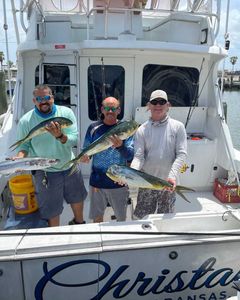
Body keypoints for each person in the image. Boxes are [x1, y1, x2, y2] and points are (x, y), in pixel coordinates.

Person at [15, 84, 87, 227]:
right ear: (34, 101)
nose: (44, 101)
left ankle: (79, 222)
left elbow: (74, 139)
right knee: (51, 208)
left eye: (47, 97)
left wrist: (60, 135)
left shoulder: (65, 113)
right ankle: (55, 234)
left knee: (77, 198)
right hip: (45, 170)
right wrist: (20, 157)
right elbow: (24, 145)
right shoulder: (25, 121)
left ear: (52, 98)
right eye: (39, 98)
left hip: (69, 164)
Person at [131, 89, 187, 219]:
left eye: (162, 102)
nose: (158, 105)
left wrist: (172, 176)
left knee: (166, 220)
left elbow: (182, 154)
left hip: (168, 183)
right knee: (142, 218)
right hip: (146, 182)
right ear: (149, 106)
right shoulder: (141, 130)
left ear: (168, 105)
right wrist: (130, 174)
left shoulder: (178, 127)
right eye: (154, 102)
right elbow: (138, 157)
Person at [80, 96, 134, 223]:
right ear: (102, 110)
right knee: (97, 218)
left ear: (119, 110)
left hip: (119, 181)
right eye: (107, 108)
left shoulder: (125, 128)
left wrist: (121, 146)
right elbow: (87, 150)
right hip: (97, 181)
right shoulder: (93, 127)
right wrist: (85, 157)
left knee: (121, 219)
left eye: (113, 108)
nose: (110, 111)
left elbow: (131, 155)